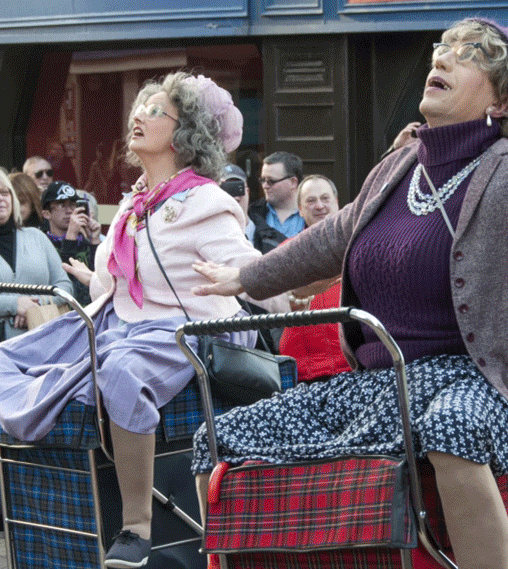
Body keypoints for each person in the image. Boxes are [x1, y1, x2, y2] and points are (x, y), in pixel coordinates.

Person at [189, 20, 508, 569]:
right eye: (441, 49)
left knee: (450, 428)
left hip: (471, 376)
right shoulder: (398, 167)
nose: (445, 59)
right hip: (376, 384)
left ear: (500, 99)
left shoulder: (502, 171)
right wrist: (246, 276)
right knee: (216, 439)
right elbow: (331, 237)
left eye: (470, 54)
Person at [0, 72, 252, 568]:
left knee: (119, 369)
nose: (138, 116)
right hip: (121, 323)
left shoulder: (207, 200)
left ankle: (136, 527)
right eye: (140, 107)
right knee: (16, 354)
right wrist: (91, 275)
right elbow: (121, 286)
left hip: (185, 329)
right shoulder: (134, 205)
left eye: (155, 111)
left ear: (184, 133)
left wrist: (236, 273)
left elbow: (244, 264)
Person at [274, 174, 349, 382]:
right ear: (300, 209)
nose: (319, 206)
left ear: (336, 202)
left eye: (325, 199)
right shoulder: (284, 252)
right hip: (300, 369)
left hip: (349, 365)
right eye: (311, 201)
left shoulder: (358, 247)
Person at [0, 169, 73, 341]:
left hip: (43, 341)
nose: (0, 198)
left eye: (4, 193)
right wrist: (14, 305)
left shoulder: (37, 237)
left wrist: (34, 306)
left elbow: (65, 286)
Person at [40, 180, 101, 305]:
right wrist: (71, 235)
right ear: (46, 214)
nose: (69, 211)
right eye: (62, 205)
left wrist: (94, 240)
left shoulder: (84, 240)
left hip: (91, 313)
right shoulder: (41, 243)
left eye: (73, 204)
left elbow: (100, 277)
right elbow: (66, 279)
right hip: (62, 312)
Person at [250, 150, 306, 252]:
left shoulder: (313, 212)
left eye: (271, 181)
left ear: (293, 182)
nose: (265, 186)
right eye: (262, 180)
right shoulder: (252, 213)